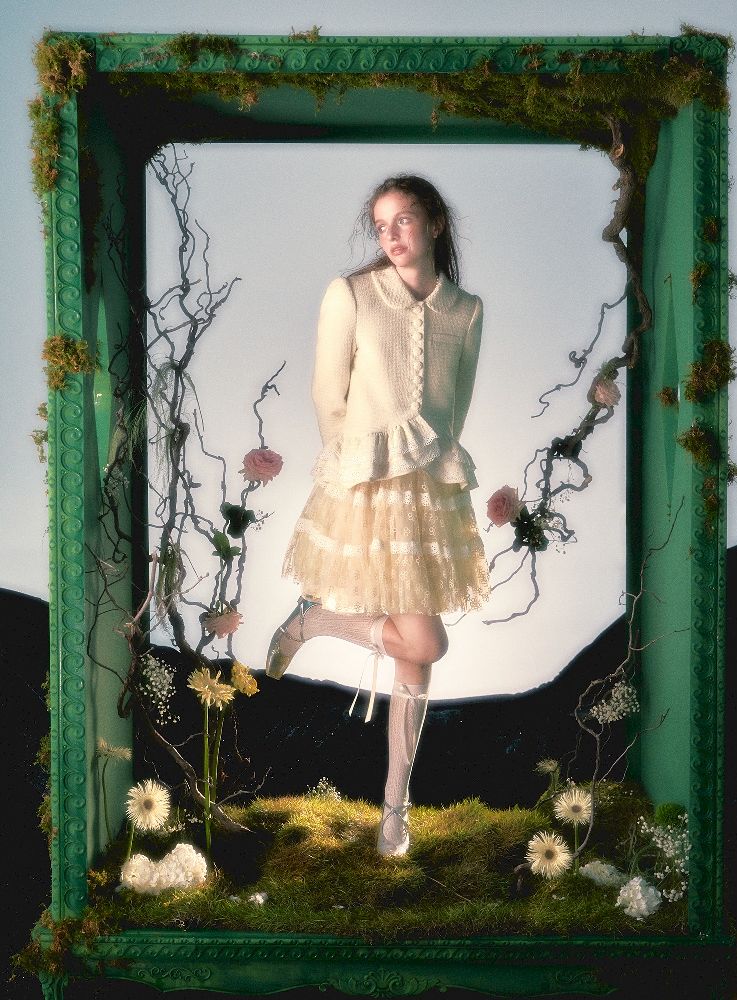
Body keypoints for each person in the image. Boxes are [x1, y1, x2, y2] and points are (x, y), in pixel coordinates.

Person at [266, 174, 491, 857]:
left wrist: (431, 466)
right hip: (366, 485)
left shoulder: (466, 310)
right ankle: (313, 622)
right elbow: (326, 392)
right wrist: (354, 466)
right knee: (426, 643)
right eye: (381, 224)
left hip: (429, 494)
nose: (391, 235)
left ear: (436, 223)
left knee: (418, 658)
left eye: (404, 220)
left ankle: (395, 808)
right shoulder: (354, 294)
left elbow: (456, 405)